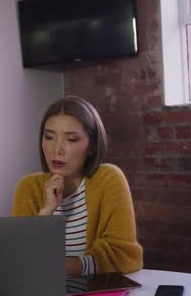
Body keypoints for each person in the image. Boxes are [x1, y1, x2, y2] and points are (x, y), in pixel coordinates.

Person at [12, 96, 143, 276]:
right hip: (41, 295)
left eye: (71, 139)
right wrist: (46, 212)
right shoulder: (28, 187)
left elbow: (124, 255)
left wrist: (63, 267)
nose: (56, 149)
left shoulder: (108, 179)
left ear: (92, 146)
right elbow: (19, 258)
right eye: (49, 137)